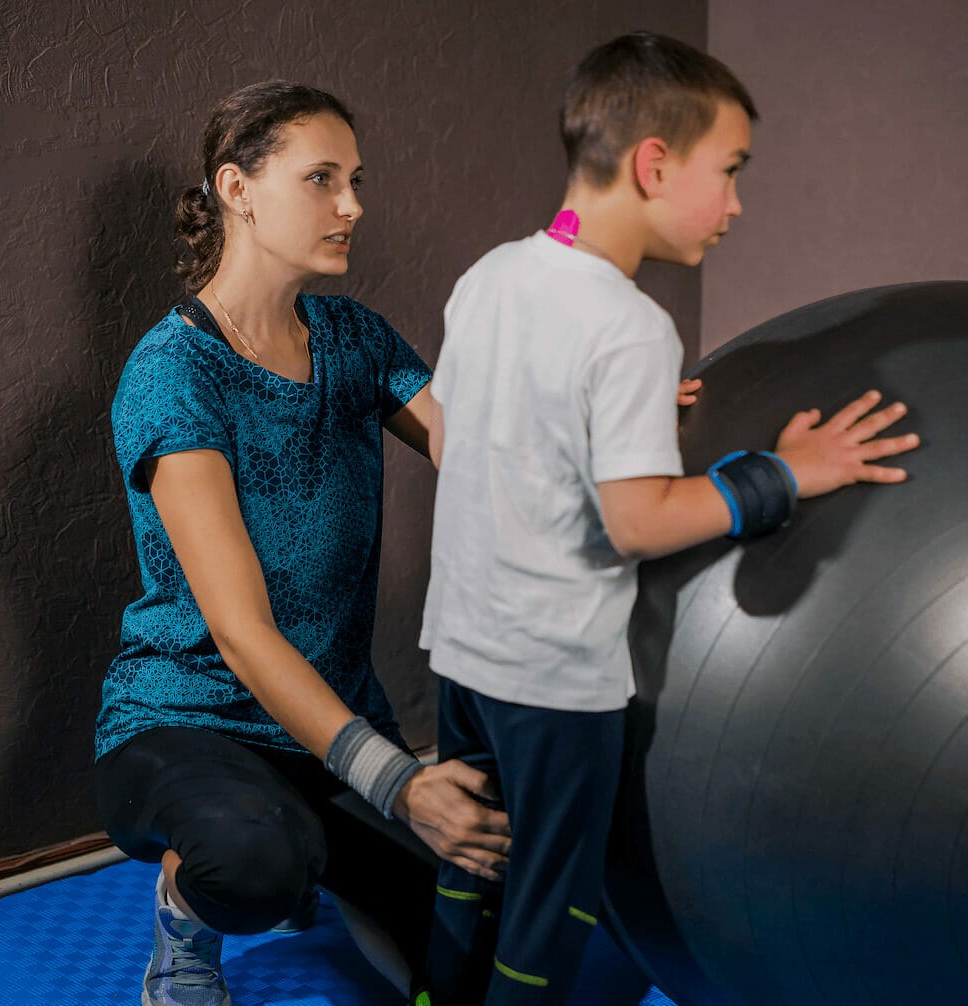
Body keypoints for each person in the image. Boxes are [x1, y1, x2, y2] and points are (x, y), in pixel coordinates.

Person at [418, 31, 920, 1006]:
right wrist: (786, 474)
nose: (734, 204)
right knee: (549, 905)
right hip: (555, 679)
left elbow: (468, 428)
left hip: (462, 652)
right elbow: (637, 525)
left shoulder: (492, 276)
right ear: (653, 164)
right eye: (727, 172)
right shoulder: (629, 325)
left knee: (467, 861)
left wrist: (607, 415)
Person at [93, 81, 511, 1006]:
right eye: (321, 178)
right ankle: (185, 912)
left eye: (355, 179)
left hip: (323, 729)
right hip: (188, 723)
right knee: (254, 861)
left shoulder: (354, 339)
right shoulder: (174, 372)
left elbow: (480, 450)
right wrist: (400, 786)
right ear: (237, 187)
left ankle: (310, 845)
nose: (353, 205)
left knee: (484, 926)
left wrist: (601, 403)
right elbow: (241, 633)